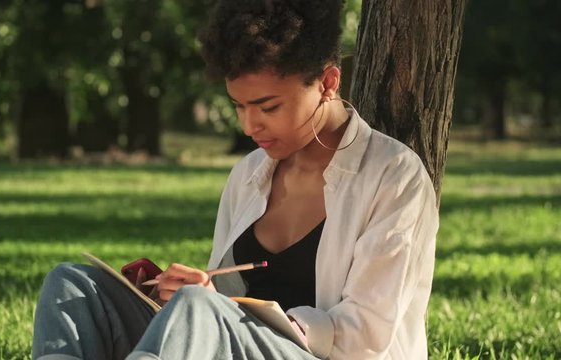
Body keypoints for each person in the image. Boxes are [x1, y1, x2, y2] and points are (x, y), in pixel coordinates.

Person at [32, 0, 439, 359]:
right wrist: (178, 295)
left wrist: (216, 309)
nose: (249, 125)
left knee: (197, 308)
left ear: (328, 83)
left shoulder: (393, 176)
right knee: (72, 285)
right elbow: (220, 304)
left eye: (268, 106)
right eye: (238, 106)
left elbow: (365, 337)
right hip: (232, 339)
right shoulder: (249, 174)